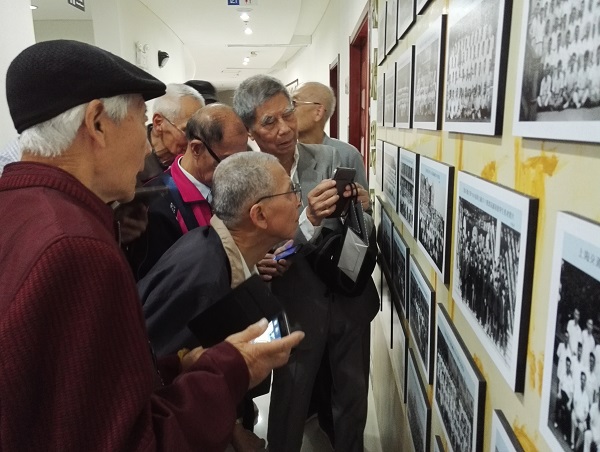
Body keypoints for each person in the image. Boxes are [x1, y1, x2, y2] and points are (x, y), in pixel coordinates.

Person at [0, 39, 303, 451]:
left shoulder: (20, 206)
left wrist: (173, 367)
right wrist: (230, 367)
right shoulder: (74, 247)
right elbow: (126, 441)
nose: (148, 146)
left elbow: (84, 392)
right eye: (141, 122)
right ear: (98, 123)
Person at [233, 74, 379, 452]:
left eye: (288, 114)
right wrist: (306, 221)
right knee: (290, 403)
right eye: (269, 122)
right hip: (291, 307)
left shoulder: (332, 158)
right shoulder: (245, 178)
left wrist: (362, 210)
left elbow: (360, 229)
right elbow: (246, 248)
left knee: (352, 401)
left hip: (347, 301)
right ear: (250, 130)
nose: (284, 129)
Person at [291, 80, 370, 442]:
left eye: (294, 103)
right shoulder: (281, 157)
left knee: (348, 379)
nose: (288, 114)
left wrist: (362, 206)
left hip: (340, 280)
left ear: (318, 111)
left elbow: (362, 223)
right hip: (297, 279)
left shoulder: (345, 155)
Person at [127, 103, 249, 280]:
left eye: (241, 159)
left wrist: (249, 263)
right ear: (196, 149)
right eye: (227, 161)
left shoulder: (232, 186)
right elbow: (163, 285)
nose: (235, 171)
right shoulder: (156, 205)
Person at [138, 83, 205, 184]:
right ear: (159, 123)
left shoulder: (197, 163)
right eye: (187, 131)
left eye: (200, 131)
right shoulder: (130, 160)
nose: (195, 140)